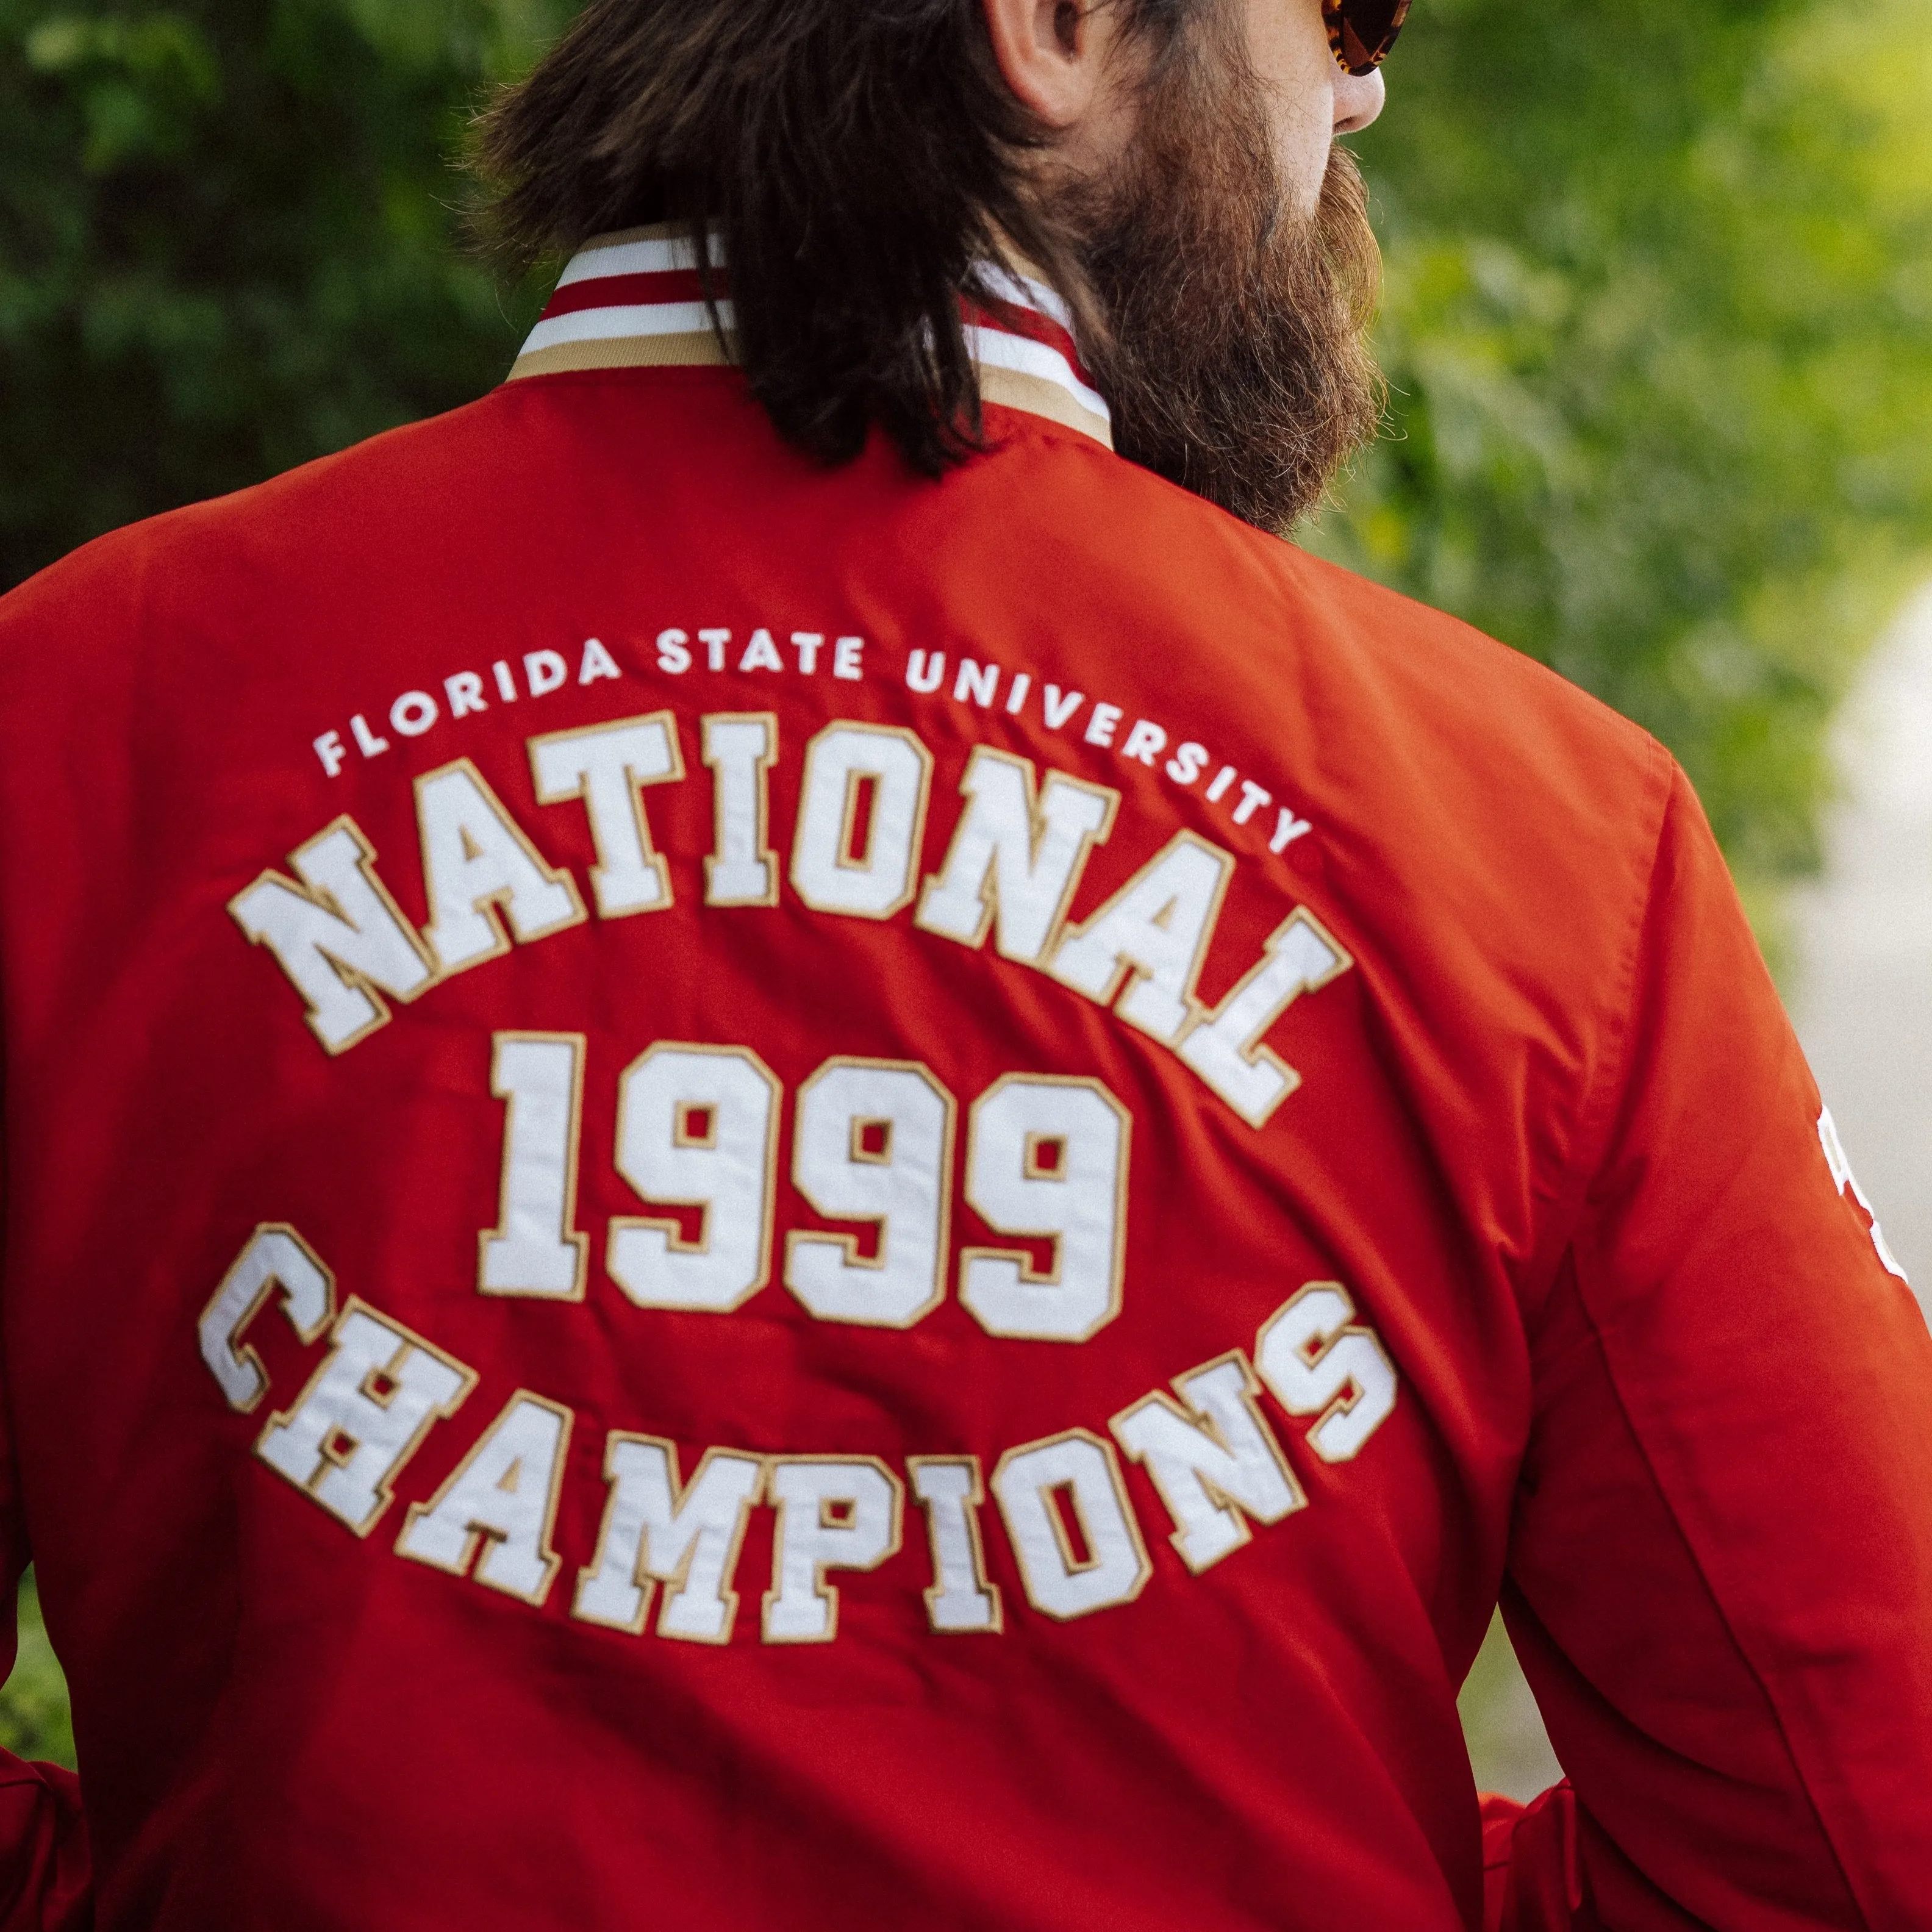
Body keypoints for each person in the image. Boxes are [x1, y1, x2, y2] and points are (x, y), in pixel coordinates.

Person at [0, 0, 1926, 1925]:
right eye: (1345, 9)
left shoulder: (71, 722)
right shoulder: (1542, 849)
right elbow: (1866, 1832)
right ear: (1062, 26)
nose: (1364, 86)